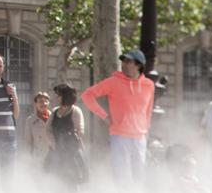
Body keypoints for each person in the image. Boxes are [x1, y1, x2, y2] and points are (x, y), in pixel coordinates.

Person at [81, 49, 156, 183]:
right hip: (120, 137)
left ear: (138, 65)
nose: (124, 64)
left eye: (128, 61)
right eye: (123, 60)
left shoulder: (149, 85)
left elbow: (148, 111)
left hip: (140, 138)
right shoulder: (113, 82)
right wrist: (103, 116)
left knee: (139, 178)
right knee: (122, 177)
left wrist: (147, 132)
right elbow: (87, 95)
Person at [44, 83, 88, 185]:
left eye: (59, 95)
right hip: (56, 151)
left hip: (72, 152)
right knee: (54, 181)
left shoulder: (75, 111)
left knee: (73, 181)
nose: (57, 98)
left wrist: (70, 142)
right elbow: (47, 129)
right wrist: (53, 143)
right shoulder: (55, 111)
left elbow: (80, 130)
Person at [23, 91, 54, 164]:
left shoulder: (54, 117)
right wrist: (28, 159)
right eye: (40, 101)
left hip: (52, 156)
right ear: (36, 103)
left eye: (46, 101)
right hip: (37, 157)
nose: (43, 104)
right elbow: (28, 142)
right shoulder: (30, 120)